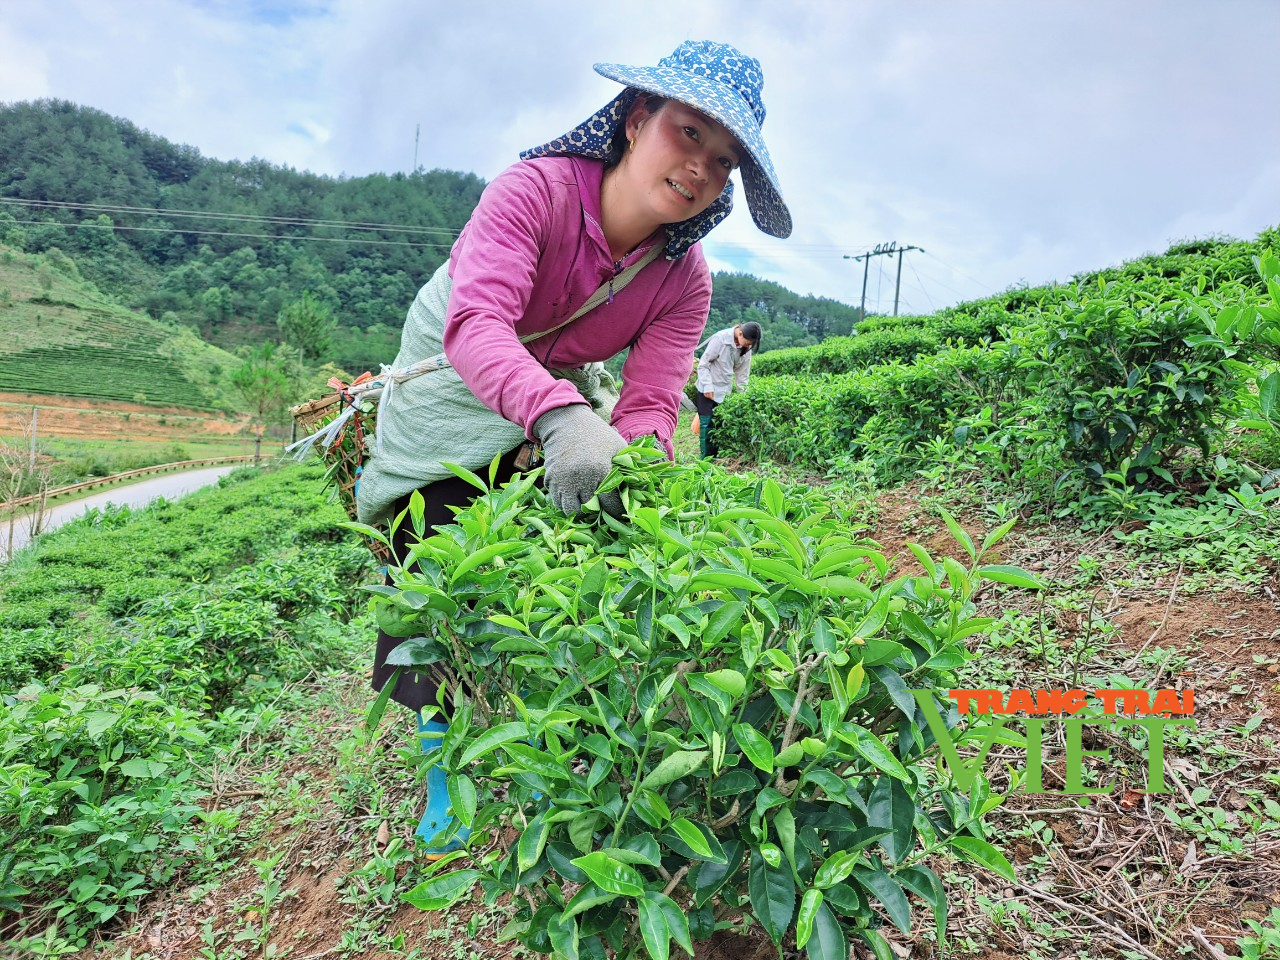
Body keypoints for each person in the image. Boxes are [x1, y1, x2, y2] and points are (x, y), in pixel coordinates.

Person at [354, 40, 790, 856]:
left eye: (724, 160)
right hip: (452, 367)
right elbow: (478, 324)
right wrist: (557, 416)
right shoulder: (537, 191)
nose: (701, 167)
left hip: (556, 378)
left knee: (569, 532)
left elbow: (654, 399)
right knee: (433, 536)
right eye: (689, 133)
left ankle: (541, 711)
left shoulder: (683, 276)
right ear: (634, 120)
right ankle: (441, 753)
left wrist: (640, 470)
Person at [693, 321, 761, 457]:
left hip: (724, 391)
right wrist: (707, 386)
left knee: (719, 426)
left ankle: (716, 458)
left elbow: (742, 375)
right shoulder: (720, 338)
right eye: (748, 343)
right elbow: (703, 364)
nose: (748, 347)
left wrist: (744, 396)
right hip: (707, 388)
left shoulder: (746, 348)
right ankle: (705, 461)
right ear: (740, 333)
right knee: (706, 425)